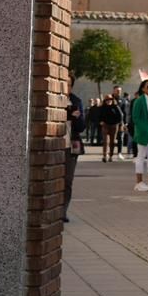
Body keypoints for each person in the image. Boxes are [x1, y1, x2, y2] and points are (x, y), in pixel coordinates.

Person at [63, 83, 84, 220]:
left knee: (68, 180)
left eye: (69, 85)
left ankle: (63, 211)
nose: (67, 87)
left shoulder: (76, 101)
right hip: (55, 144)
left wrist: (76, 117)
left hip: (72, 144)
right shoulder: (54, 99)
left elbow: (82, 127)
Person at [97, 95, 122, 162]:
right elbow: (98, 115)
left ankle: (111, 155)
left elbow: (120, 115)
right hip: (105, 125)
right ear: (105, 101)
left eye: (110, 99)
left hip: (114, 126)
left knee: (112, 142)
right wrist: (100, 121)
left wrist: (118, 123)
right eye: (107, 100)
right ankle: (105, 155)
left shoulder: (115, 107)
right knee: (105, 141)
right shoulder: (102, 107)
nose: (109, 101)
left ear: (112, 100)